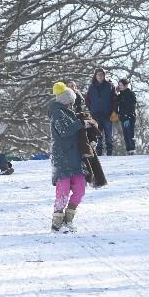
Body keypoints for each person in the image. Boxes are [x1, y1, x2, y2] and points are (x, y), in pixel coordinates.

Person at [48, 84, 90, 232]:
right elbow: (64, 131)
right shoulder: (57, 113)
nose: (73, 104)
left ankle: (68, 219)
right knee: (63, 191)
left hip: (75, 157)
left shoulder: (67, 111)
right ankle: (57, 222)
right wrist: (81, 124)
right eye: (71, 100)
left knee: (80, 189)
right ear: (66, 100)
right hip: (62, 158)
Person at [85, 68, 117, 155]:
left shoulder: (110, 86)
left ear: (104, 75)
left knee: (109, 136)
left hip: (108, 114)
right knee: (97, 135)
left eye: (102, 74)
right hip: (96, 115)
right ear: (95, 76)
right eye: (98, 74)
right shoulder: (91, 87)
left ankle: (109, 152)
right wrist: (91, 109)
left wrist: (114, 111)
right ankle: (99, 153)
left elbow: (114, 99)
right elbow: (87, 99)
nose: (100, 76)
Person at [117, 78, 137, 155]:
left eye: (121, 85)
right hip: (123, 117)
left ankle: (132, 149)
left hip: (129, 117)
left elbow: (132, 105)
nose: (120, 86)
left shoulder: (130, 93)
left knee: (130, 133)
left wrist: (127, 114)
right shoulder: (120, 95)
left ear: (126, 85)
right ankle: (128, 149)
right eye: (119, 85)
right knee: (125, 133)